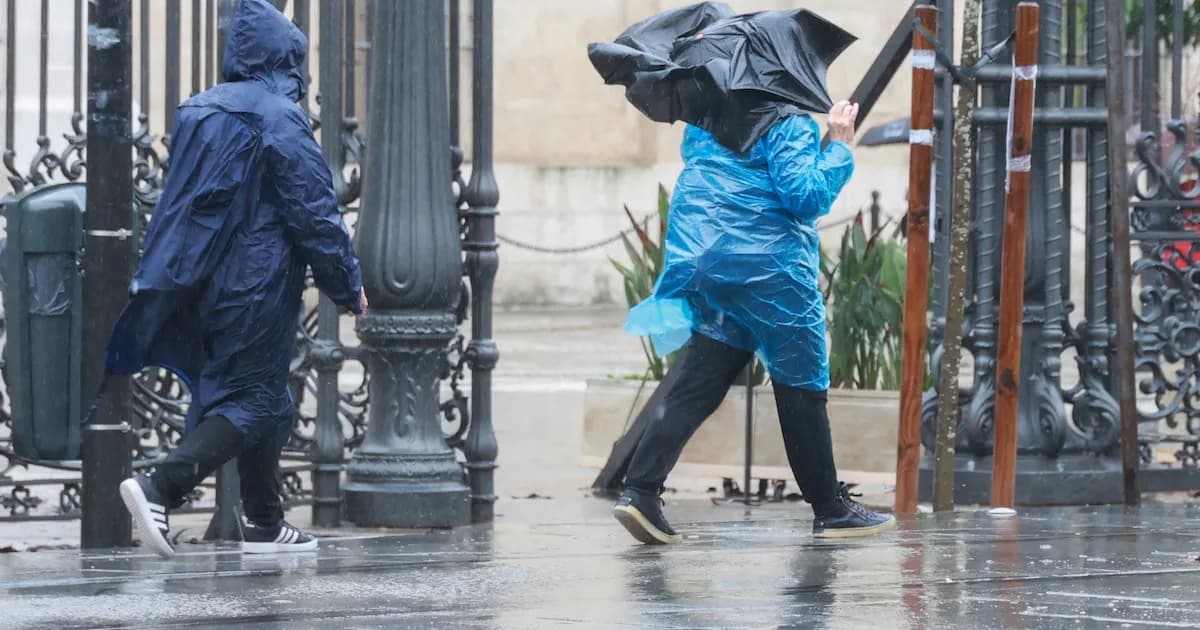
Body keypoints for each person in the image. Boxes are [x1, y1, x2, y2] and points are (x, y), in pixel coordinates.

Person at [108, 0, 364, 557]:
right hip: (257, 283)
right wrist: (347, 284)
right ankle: (161, 486)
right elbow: (315, 212)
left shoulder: (200, 111)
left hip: (201, 278)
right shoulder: (278, 116)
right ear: (285, 59)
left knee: (258, 396)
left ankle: (267, 524)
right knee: (254, 400)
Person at [612, 101, 897, 544]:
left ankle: (640, 490)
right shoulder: (786, 118)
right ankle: (829, 508)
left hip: (709, 260)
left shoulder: (706, 114)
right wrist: (839, 147)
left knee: (703, 375)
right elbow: (805, 197)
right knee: (802, 379)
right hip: (771, 271)